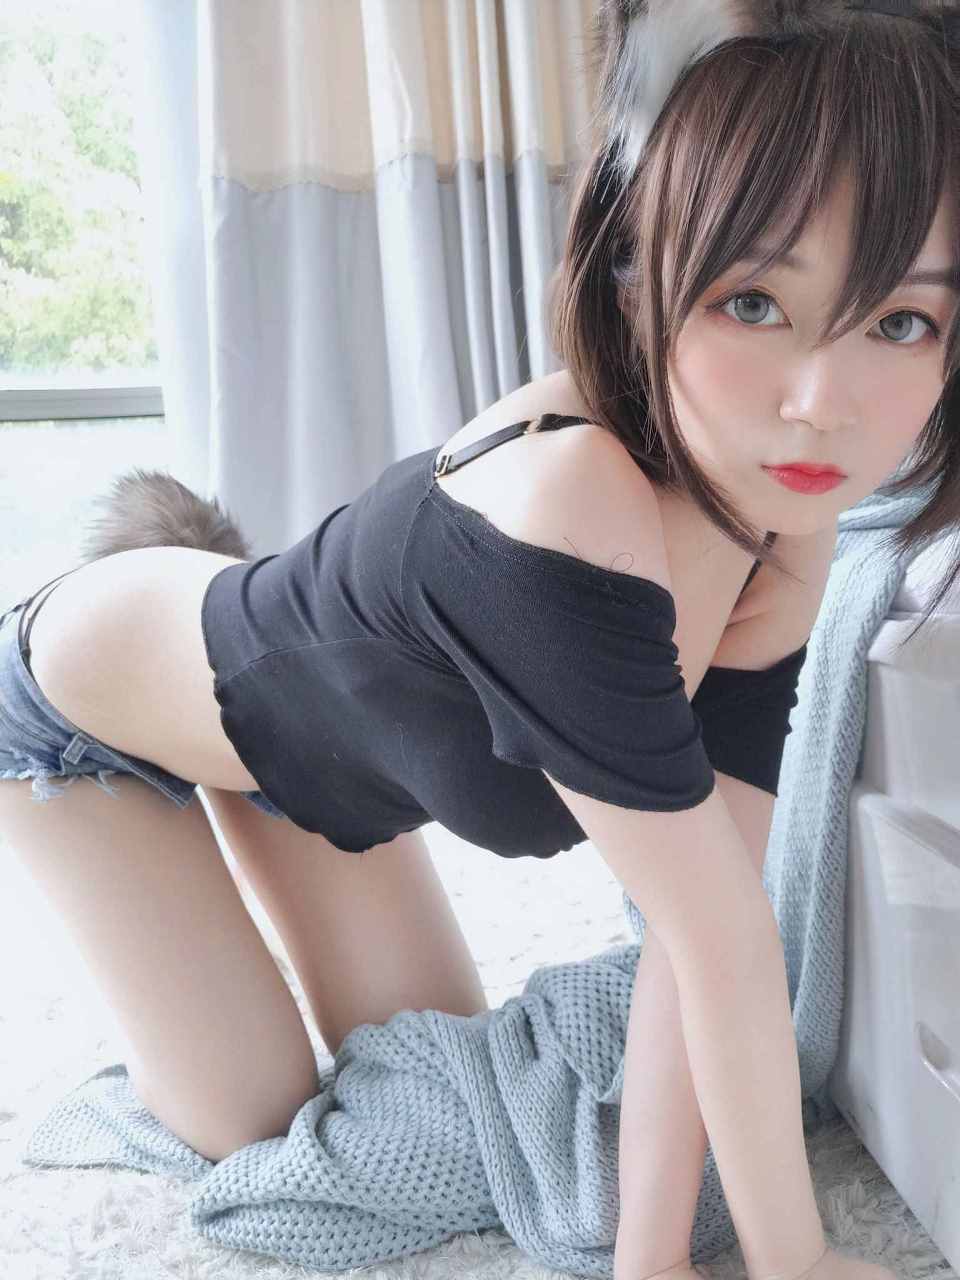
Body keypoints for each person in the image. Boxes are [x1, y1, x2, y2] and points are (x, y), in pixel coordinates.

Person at [1, 2, 958, 1278]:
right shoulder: (571, 509)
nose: (822, 403)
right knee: (255, 1123)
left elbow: (704, 936)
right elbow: (726, 948)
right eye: (752, 301)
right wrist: (800, 1261)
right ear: (637, 270)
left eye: (900, 321)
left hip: (318, 771)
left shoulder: (794, 534)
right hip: (82, 717)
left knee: (405, 1086)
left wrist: (653, 1260)